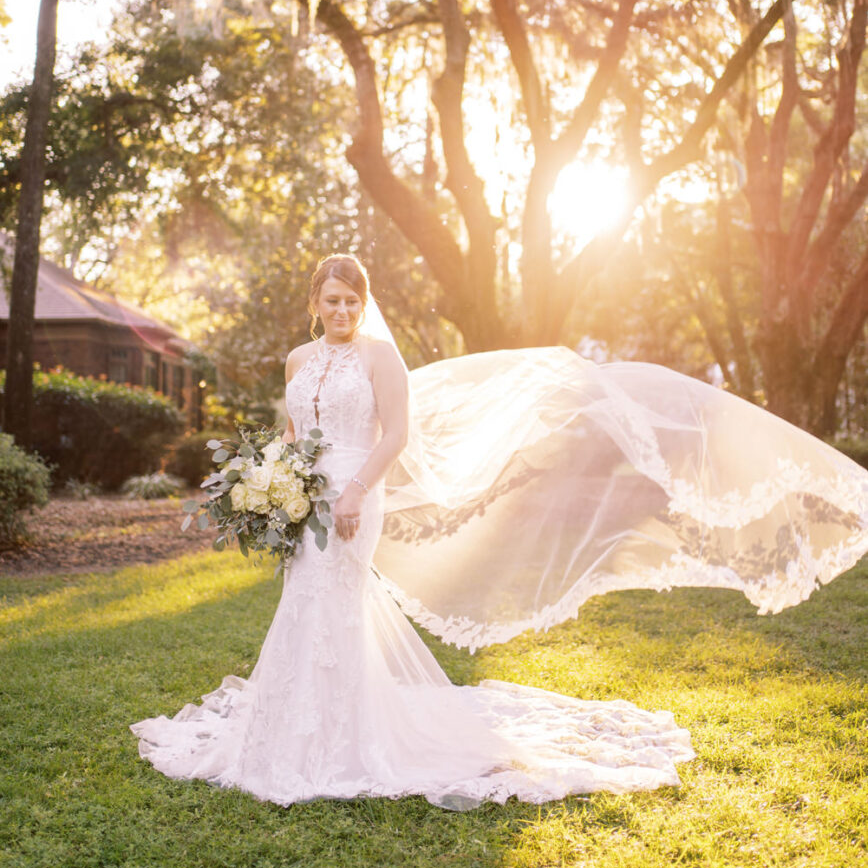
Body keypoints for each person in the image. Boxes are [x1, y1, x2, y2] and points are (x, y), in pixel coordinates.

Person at [131, 253, 699, 807]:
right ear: (314, 302)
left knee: (335, 602)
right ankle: (295, 730)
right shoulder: (297, 359)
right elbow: (292, 429)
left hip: (356, 493)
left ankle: (345, 741)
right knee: (303, 599)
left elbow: (395, 435)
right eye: (332, 300)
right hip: (301, 498)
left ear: (364, 303)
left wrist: (354, 489)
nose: (343, 310)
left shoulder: (381, 358)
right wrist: (263, 478)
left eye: (353, 301)